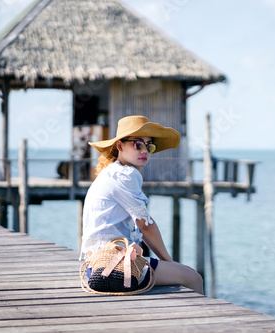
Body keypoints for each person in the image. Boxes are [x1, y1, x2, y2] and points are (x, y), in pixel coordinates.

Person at [80, 115, 203, 294]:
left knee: (178, 274)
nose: (145, 150)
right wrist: (169, 262)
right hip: (115, 266)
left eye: (149, 146)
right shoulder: (125, 175)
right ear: (120, 146)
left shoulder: (110, 173)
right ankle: (200, 320)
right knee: (193, 277)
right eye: (138, 144)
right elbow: (145, 226)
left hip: (96, 266)